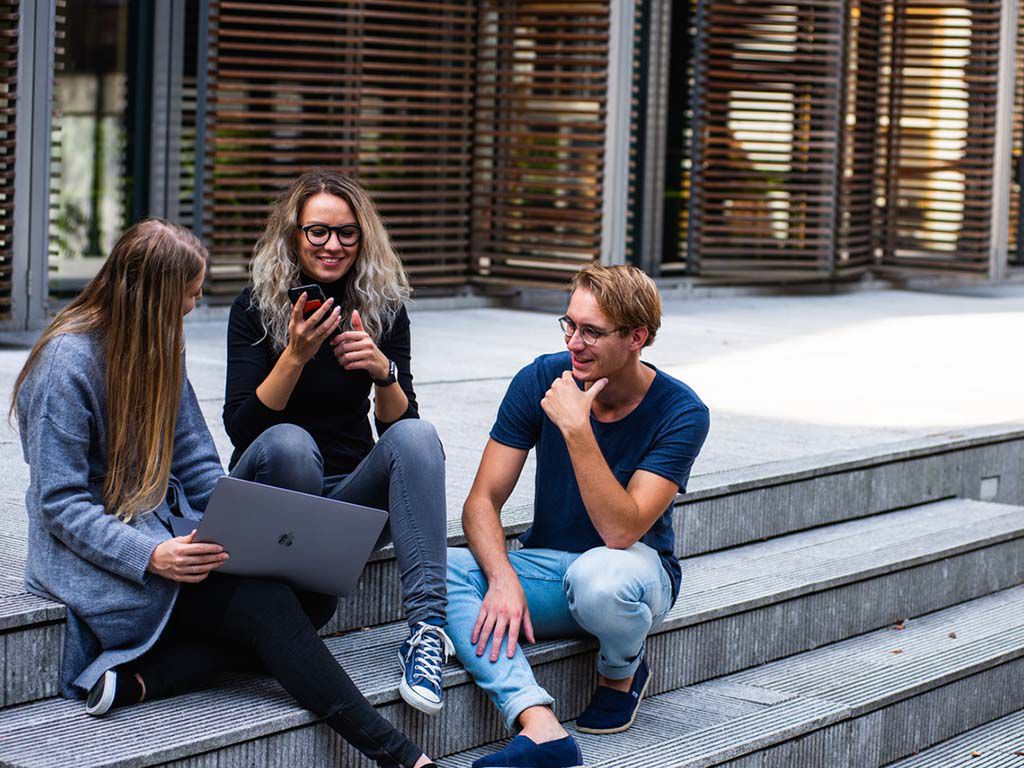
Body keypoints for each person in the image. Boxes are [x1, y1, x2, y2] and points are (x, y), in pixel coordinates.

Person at [12, 220, 442, 768]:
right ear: (154, 295)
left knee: (313, 598)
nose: (193, 306)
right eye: (189, 294)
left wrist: (231, 527)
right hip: (102, 558)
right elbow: (61, 504)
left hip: (169, 536)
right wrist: (151, 555)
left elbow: (196, 462)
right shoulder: (65, 364)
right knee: (268, 606)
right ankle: (401, 755)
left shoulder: (159, 343)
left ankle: (147, 677)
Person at [446, 265, 710, 767]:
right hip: (548, 568)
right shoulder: (541, 377)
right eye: (569, 324)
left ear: (637, 337)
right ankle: (538, 724)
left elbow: (621, 530)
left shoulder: (682, 411)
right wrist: (501, 578)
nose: (575, 342)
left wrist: (577, 428)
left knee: (601, 577)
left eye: (591, 331)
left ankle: (621, 669)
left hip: (632, 572)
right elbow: (482, 500)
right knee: (441, 569)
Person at [222, 169, 451, 716]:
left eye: (347, 233)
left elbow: (401, 433)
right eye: (317, 232)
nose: (332, 245)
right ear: (294, 235)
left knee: (419, 436)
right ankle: (285, 611)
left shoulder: (382, 307)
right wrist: (295, 355)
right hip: (274, 492)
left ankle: (427, 635)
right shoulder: (254, 308)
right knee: (291, 444)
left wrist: (383, 372)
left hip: (346, 503)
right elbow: (242, 429)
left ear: (363, 237)